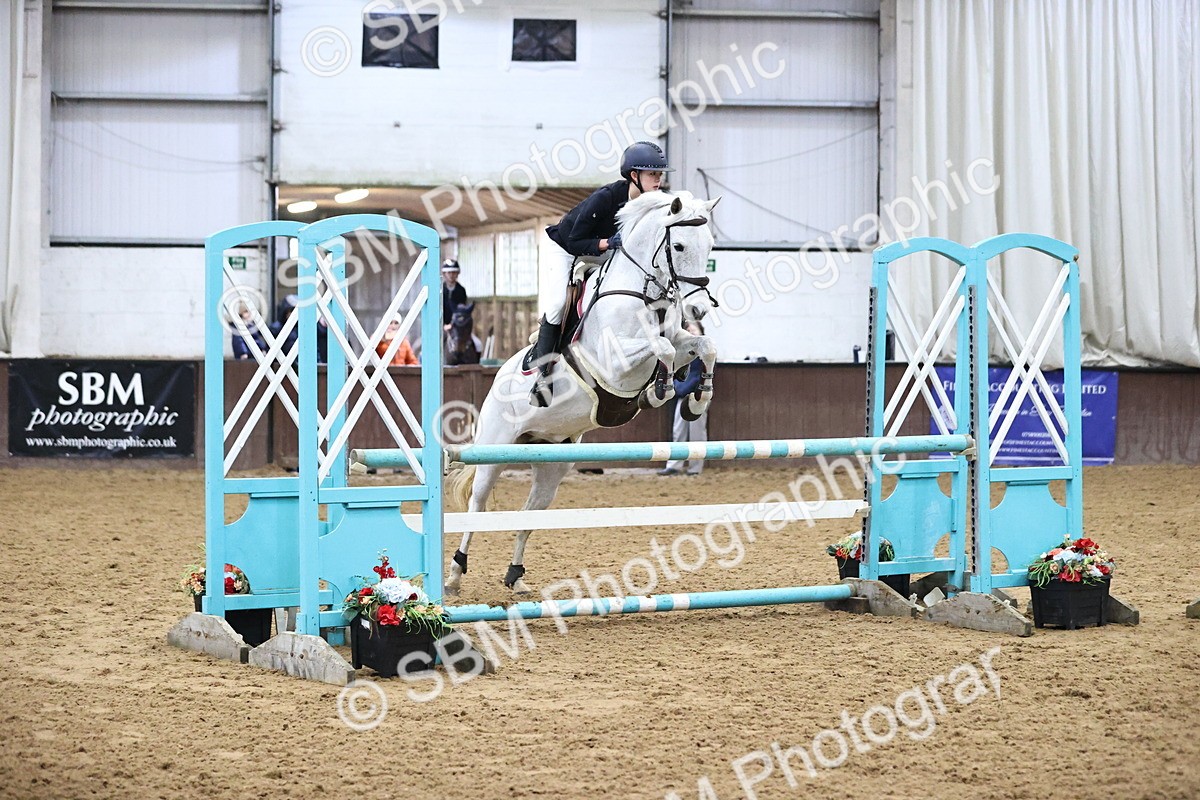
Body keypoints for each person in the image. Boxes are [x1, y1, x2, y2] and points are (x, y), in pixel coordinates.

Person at [528, 140, 672, 406]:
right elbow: (574, 241)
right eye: (653, 174)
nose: (658, 180)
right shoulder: (605, 198)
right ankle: (543, 374)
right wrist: (606, 243)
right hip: (566, 247)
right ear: (634, 176)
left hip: (605, 248)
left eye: (660, 175)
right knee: (559, 303)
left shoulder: (653, 205)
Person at [658, 321, 708, 476]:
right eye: (689, 330)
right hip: (682, 394)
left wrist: (680, 389)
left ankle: (695, 467)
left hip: (698, 396)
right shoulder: (683, 350)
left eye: (695, 330)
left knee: (697, 433)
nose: (692, 332)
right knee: (678, 431)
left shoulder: (706, 351)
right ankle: (674, 465)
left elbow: (699, 377)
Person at [441, 260, 468, 332]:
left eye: (453, 272)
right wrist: (443, 325)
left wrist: (453, 324)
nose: (451, 275)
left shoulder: (461, 290)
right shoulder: (440, 290)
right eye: (449, 272)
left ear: (457, 274)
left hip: (457, 326)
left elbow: (461, 310)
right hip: (440, 326)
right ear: (444, 274)